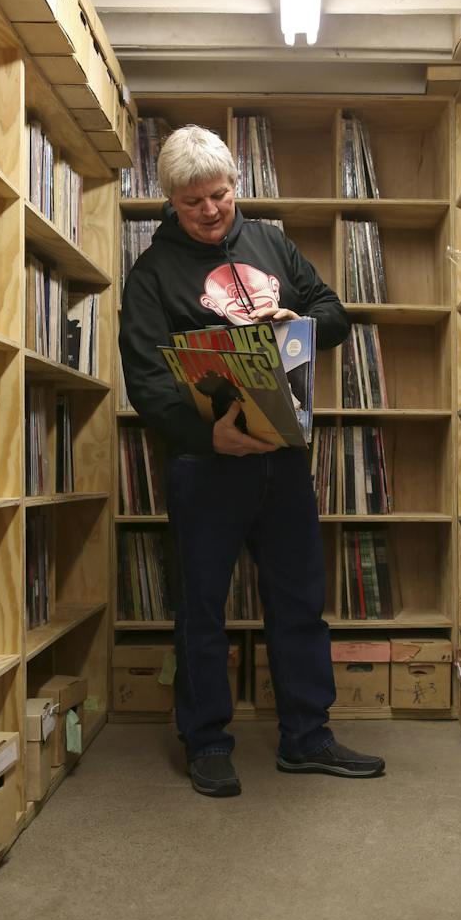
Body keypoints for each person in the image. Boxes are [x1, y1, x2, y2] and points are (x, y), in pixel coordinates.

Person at [119, 124, 385, 797]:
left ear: (236, 184)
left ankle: (307, 737)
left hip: (283, 457)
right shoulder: (151, 275)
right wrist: (208, 438)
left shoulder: (270, 241)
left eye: (221, 194)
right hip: (206, 465)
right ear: (171, 203)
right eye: (193, 203)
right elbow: (147, 382)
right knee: (201, 609)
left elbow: (336, 315)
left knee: (300, 601)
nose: (212, 211)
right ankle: (206, 741)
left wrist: (295, 317)